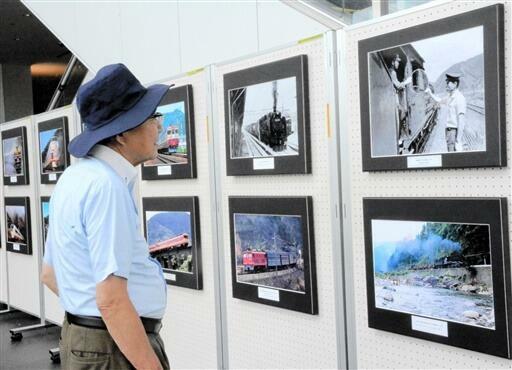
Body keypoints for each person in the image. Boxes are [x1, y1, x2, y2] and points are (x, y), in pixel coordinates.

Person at [40, 63, 171, 370]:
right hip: (113, 348)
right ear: (123, 133)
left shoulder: (74, 177)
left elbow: (49, 273)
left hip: (91, 340)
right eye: (153, 118)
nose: (159, 127)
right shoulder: (106, 187)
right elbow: (111, 301)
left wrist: (87, 320)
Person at [425, 72, 467, 152]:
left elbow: (461, 121)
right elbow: (440, 100)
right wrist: (430, 93)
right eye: (446, 82)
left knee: (452, 157)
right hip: (449, 131)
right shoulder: (450, 96)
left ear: (455, 84)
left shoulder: (459, 98)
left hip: (453, 132)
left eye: (448, 82)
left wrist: (458, 140)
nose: (446, 84)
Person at [389, 54, 412, 138]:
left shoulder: (392, 71)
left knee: (402, 112)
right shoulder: (393, 72)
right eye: (397, 61)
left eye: (399, 62)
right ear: (392, 62)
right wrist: (406, 82)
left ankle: (401, 135)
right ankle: (400, 136)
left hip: (394, 97)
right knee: (403, 112)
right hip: (394, 99)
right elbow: (398, 85)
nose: (398, 63)